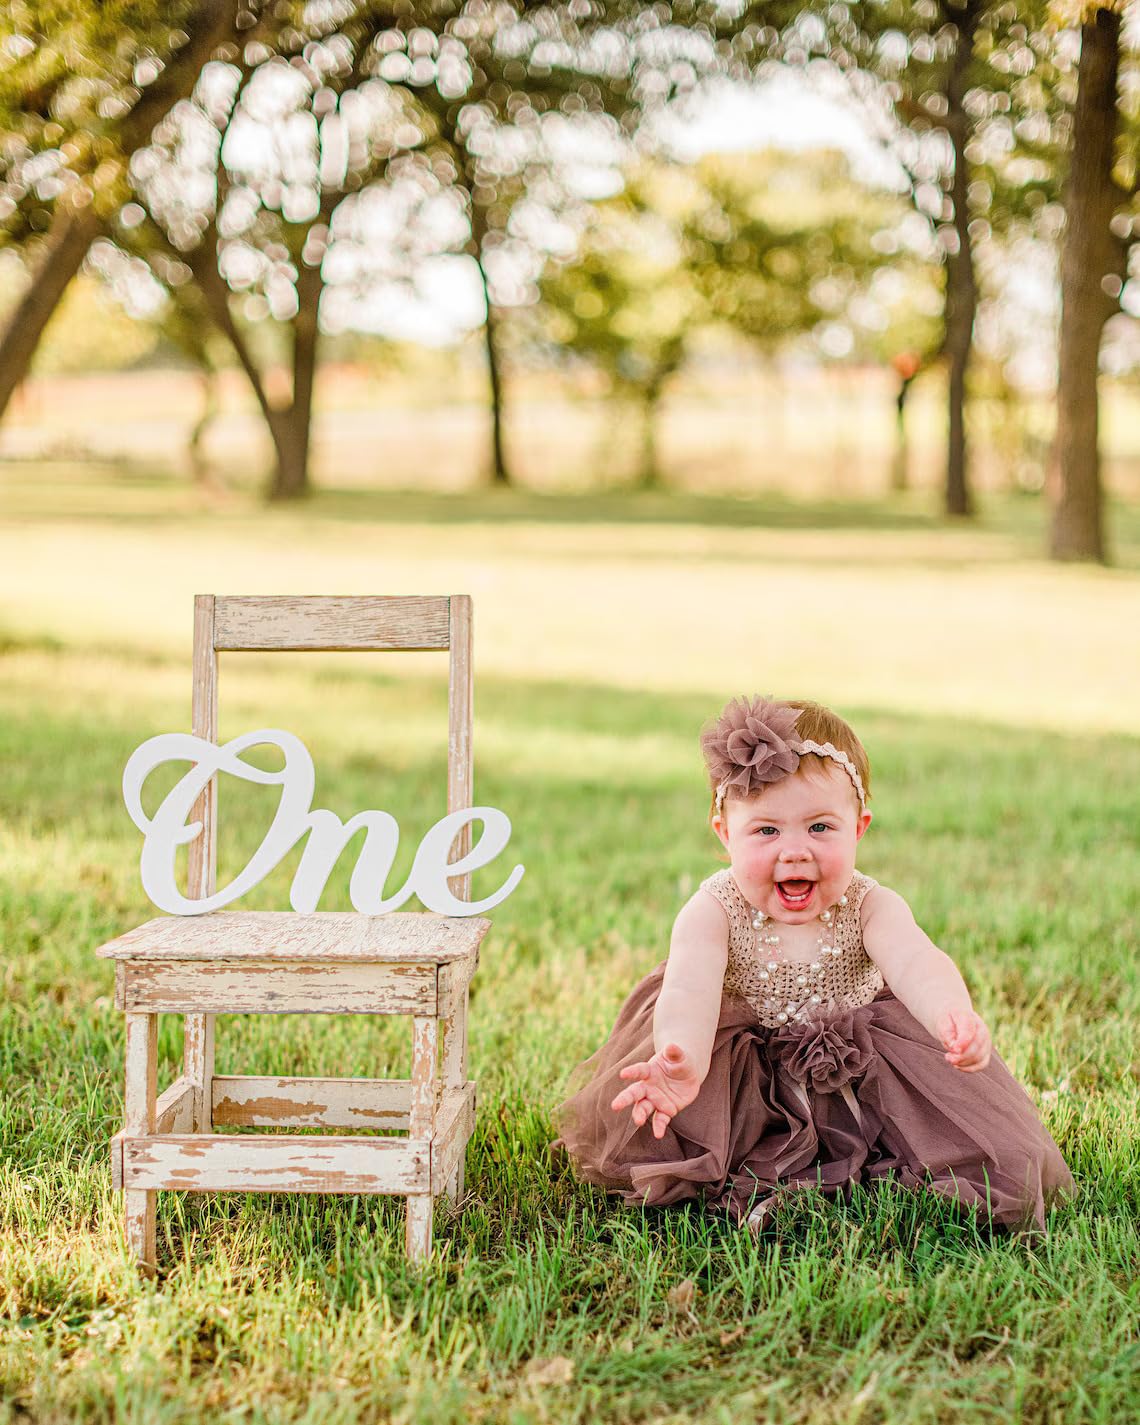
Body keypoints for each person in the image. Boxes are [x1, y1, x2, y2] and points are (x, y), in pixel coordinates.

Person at [551, 695, 1075, 1236]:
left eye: (820, 828)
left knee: (955, 1146)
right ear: (724, 832)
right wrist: (681, 1055)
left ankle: (866, 1150)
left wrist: (950, 1015)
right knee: (689, 1142)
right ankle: (749, 1153)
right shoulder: (713, 909)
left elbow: (917, 959)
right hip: (738, 1071)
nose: (795, 851)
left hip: (856, 1066)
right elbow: (689, 986)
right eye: (766, 831)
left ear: (859, 828)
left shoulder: (871, 904)